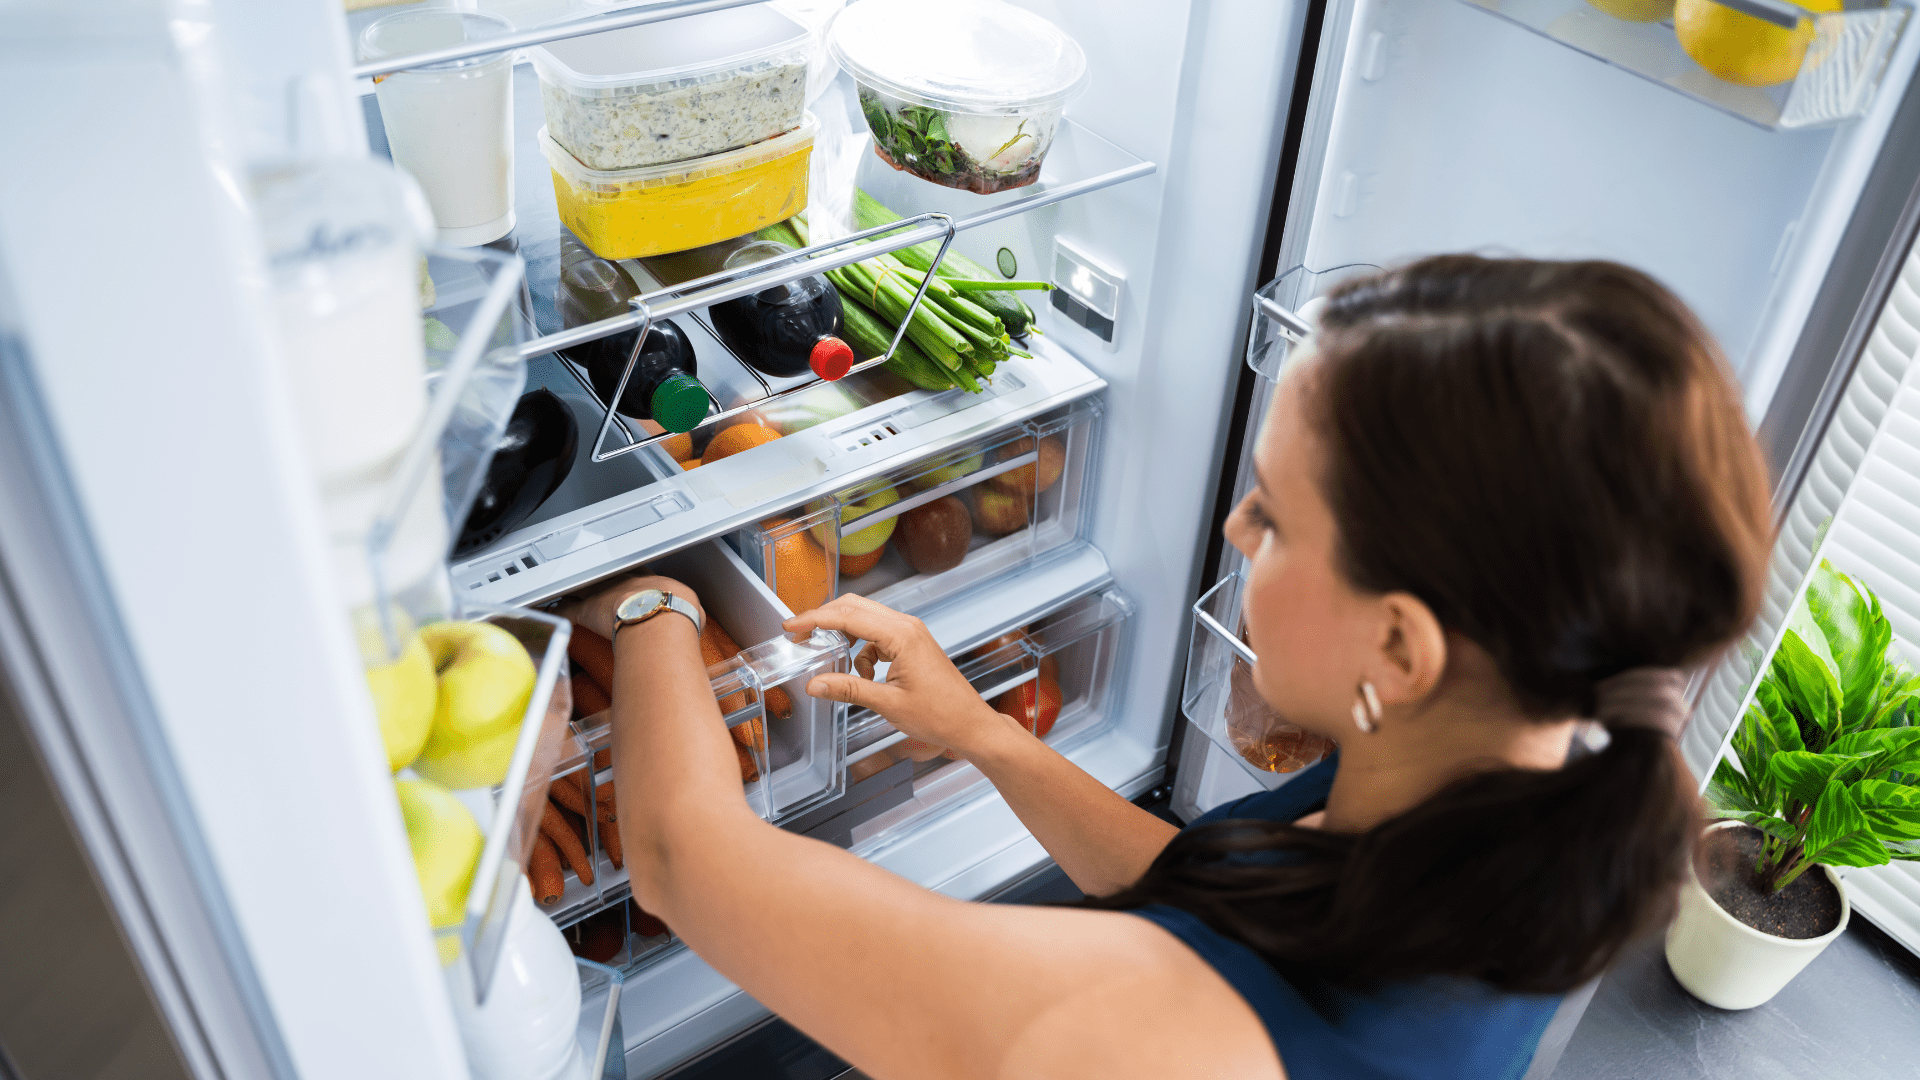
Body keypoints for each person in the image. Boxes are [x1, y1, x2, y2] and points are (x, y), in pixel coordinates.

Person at [558, 256, 1773, 1080]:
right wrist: (988, 737)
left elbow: (675, 856)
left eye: (1280, 517)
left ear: (1403, 646)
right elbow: (1229, 899)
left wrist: (652, 585)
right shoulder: (1531, 794)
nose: (1238, 529)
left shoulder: (1151, 1039)